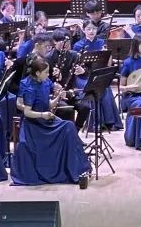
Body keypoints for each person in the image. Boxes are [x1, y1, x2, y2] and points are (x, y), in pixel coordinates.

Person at [12, 55, 90, 187]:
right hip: (34, 124)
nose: (49, 75)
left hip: (45, 120)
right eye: (46, 72)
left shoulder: (45, 82)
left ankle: (76, 169)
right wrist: (43, 115)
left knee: (69, 126)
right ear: (38, 73)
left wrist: (58, 97)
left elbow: (48, 104)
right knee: (67, 127)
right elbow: (27, 112)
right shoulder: (29, 87)